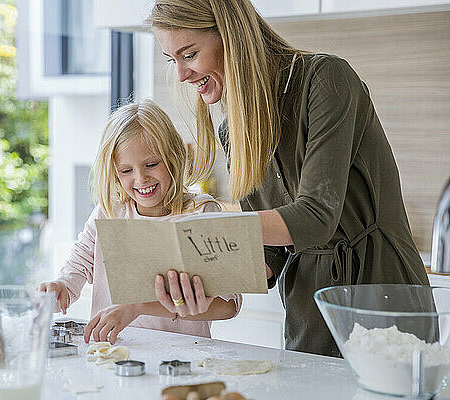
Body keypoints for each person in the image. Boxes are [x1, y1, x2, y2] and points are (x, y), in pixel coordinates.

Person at [148, 0, 428, 357]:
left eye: (189, 54)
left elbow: (316, 216)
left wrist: (215, 229)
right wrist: (204, 284)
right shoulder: (234, 132)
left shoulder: (326, 79)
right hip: (309, 313)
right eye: (173, 60)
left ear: (232, 37)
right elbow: (271, 254)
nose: (181, 75)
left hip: (382, 292)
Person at [39, 99, 242, 344]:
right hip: (112, 357)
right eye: (126, 171)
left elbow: (227, 305)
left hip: (184, 361)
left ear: (173, 156)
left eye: (151, 164)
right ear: (114, 171)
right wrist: (61, 287)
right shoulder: (108, 214)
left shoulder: (202, 213)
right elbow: (78, 266)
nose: (141, 178)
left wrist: (137, 307)